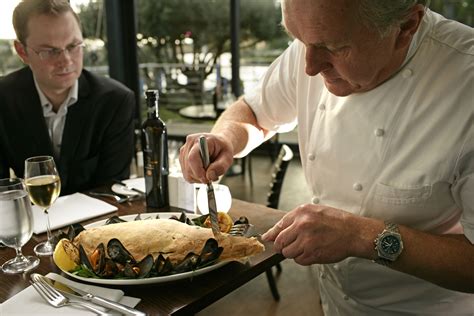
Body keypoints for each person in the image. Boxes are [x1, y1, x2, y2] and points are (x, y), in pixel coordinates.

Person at [179, 0, 473, 314]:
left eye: (335, 47)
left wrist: (362, 236)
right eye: (298, 39)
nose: (309, 67)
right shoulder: (313, 43)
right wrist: (226, 137)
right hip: (333, 302)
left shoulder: (465, 83)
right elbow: (253, 112)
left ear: (405, 27)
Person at [0, 0, 135, 195]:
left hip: (96, 219)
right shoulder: (3, 98)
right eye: (49, 51)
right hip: (34, 220)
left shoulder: (115, 101)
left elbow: (112, 189)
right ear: (22, 52)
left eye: (73, 46)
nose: (66, 61)